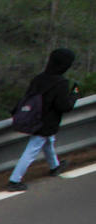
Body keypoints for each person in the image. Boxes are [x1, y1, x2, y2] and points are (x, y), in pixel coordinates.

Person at [8, 48, 81, 191]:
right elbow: (64, 106)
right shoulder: (60, 83)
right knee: (32, 149)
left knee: (48, 142)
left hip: (34, 119)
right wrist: (74, 95)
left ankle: (55, 167)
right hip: (45, 123)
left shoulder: (39, 78)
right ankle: (14, 180)